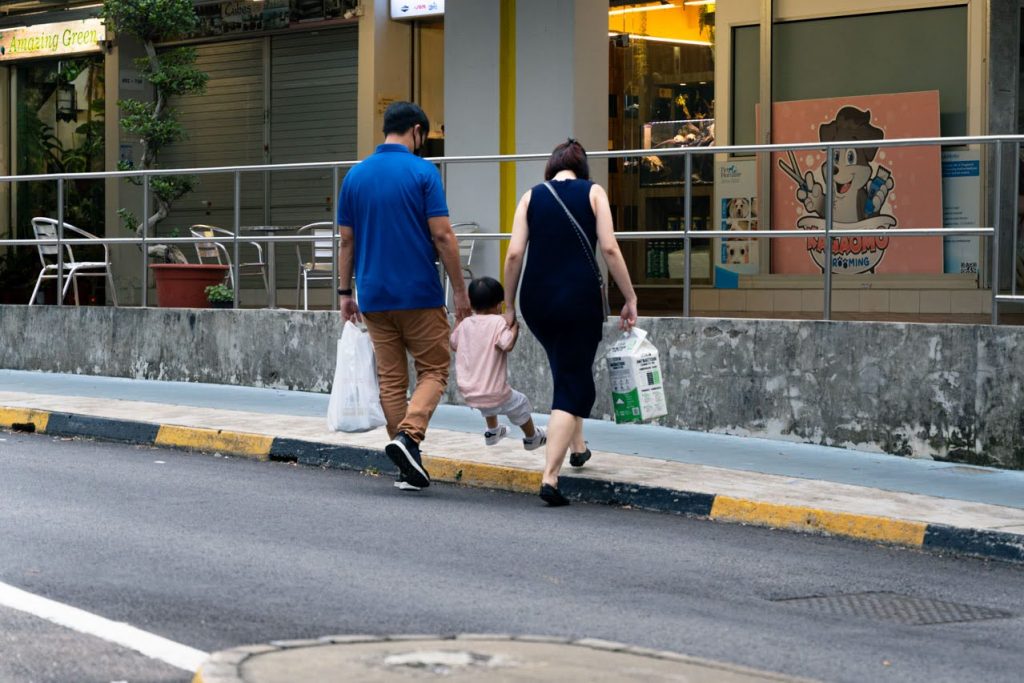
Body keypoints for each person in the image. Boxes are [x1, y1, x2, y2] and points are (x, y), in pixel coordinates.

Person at [337, 101, 472, 493]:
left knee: (392, 381)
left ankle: (407, 467)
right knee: (435, 369)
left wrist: (346, 293)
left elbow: (347, 241)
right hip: (418, 292)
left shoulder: (355, 177)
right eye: (423, 138)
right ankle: (410, 438)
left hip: (373, 296)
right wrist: (460, 290)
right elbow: (443, 235)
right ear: (416, 131)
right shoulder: (422, 171)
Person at [503, 138, 638, 507]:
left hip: (536, 300)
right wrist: (630, 296)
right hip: (578, 299)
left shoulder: (531, 196)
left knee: (567, 368)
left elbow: (515, 253)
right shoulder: (594, 192)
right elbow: (609, 248)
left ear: (551, 167)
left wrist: (509, 305)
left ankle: (578, 448)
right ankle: (550, 477)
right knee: (575, 387)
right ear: (582, 167)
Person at [450, 277, 547, 450]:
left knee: (488, 401)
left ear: (471, 303)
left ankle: (493, 431)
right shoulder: (498, 322)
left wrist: (458, 321)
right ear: (498, 305)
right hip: (495, 392)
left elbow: (453, 343)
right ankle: (532, 437)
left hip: (470, 392)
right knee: (520, 404)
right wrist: (515, 327)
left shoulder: (465, 324)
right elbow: (507, 344)